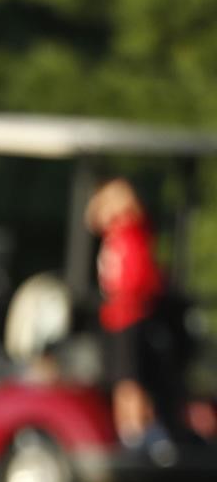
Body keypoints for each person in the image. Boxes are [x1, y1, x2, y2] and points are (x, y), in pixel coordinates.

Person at [87, 177, 169, 455]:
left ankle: (136, 436)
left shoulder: (134, 230)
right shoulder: (114, 232)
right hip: (116, 316)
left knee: (129, 383)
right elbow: (93, 217)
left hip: (130, 315)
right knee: (123, 381)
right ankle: (136, 434)